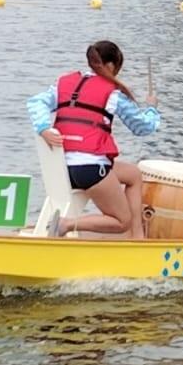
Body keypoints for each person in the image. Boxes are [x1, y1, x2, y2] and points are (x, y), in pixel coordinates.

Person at [30, 40, 161, 238]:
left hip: (61, 166)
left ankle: (137, 238)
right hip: (89, 169)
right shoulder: (113, 94)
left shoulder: (63, 84)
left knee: (133, 175)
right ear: (110, 66)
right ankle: (67, 224)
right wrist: (152, 108)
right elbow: (143, 127)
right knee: (121, 221)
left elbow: (36, 101)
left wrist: (43, 128)